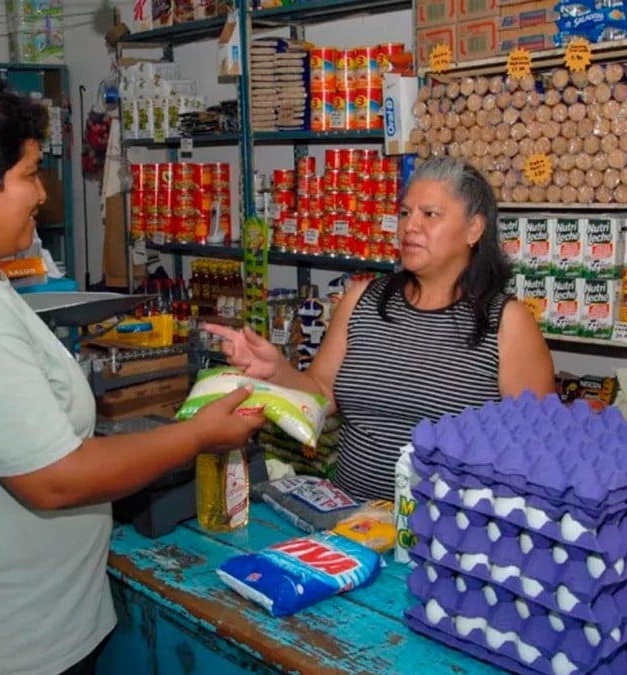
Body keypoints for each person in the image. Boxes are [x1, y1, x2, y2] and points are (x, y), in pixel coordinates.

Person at [0, 75, 264, 675]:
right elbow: (53, 479)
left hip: (39, 624)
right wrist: (198, 435)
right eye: (26, 174)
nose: (41, 195)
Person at [208, 158, 555, 501]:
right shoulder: (363, 299)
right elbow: (321, 393)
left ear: (474, 229)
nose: (409, 227)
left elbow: (534, 448)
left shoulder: (507, 322)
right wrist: (276, 370)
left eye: (429, 214)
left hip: (442, 537)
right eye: (405, 213)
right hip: (349, 521)